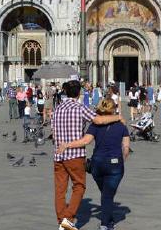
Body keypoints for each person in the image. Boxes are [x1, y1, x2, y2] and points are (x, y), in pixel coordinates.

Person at [52, 80, 123, 230]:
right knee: (79, 186)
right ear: (79, 93)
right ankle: (68, 219)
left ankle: (61, 220)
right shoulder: (79, 108)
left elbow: (53, 131)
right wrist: (117, 117)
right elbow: (98, 119)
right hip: (75, 154)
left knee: (60, 189)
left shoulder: (57, 108)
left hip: (58, 155)